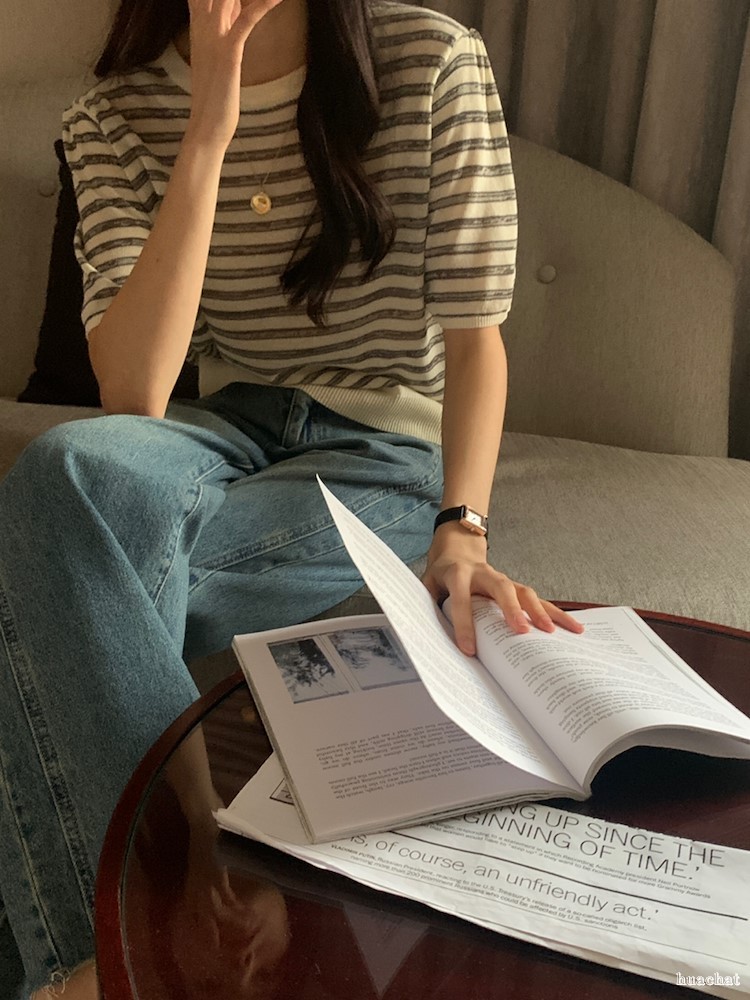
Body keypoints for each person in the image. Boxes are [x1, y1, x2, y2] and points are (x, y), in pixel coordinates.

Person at [0, 0, 584, 996]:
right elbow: (136, 393)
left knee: (46, 583)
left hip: (383, 448)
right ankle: (175, 866)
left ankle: (91, 960)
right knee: (67, 475)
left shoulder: (433, 63)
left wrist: (462, 527)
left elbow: (475, 341)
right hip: (222, 427)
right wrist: (208, 129)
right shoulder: (112, 116)